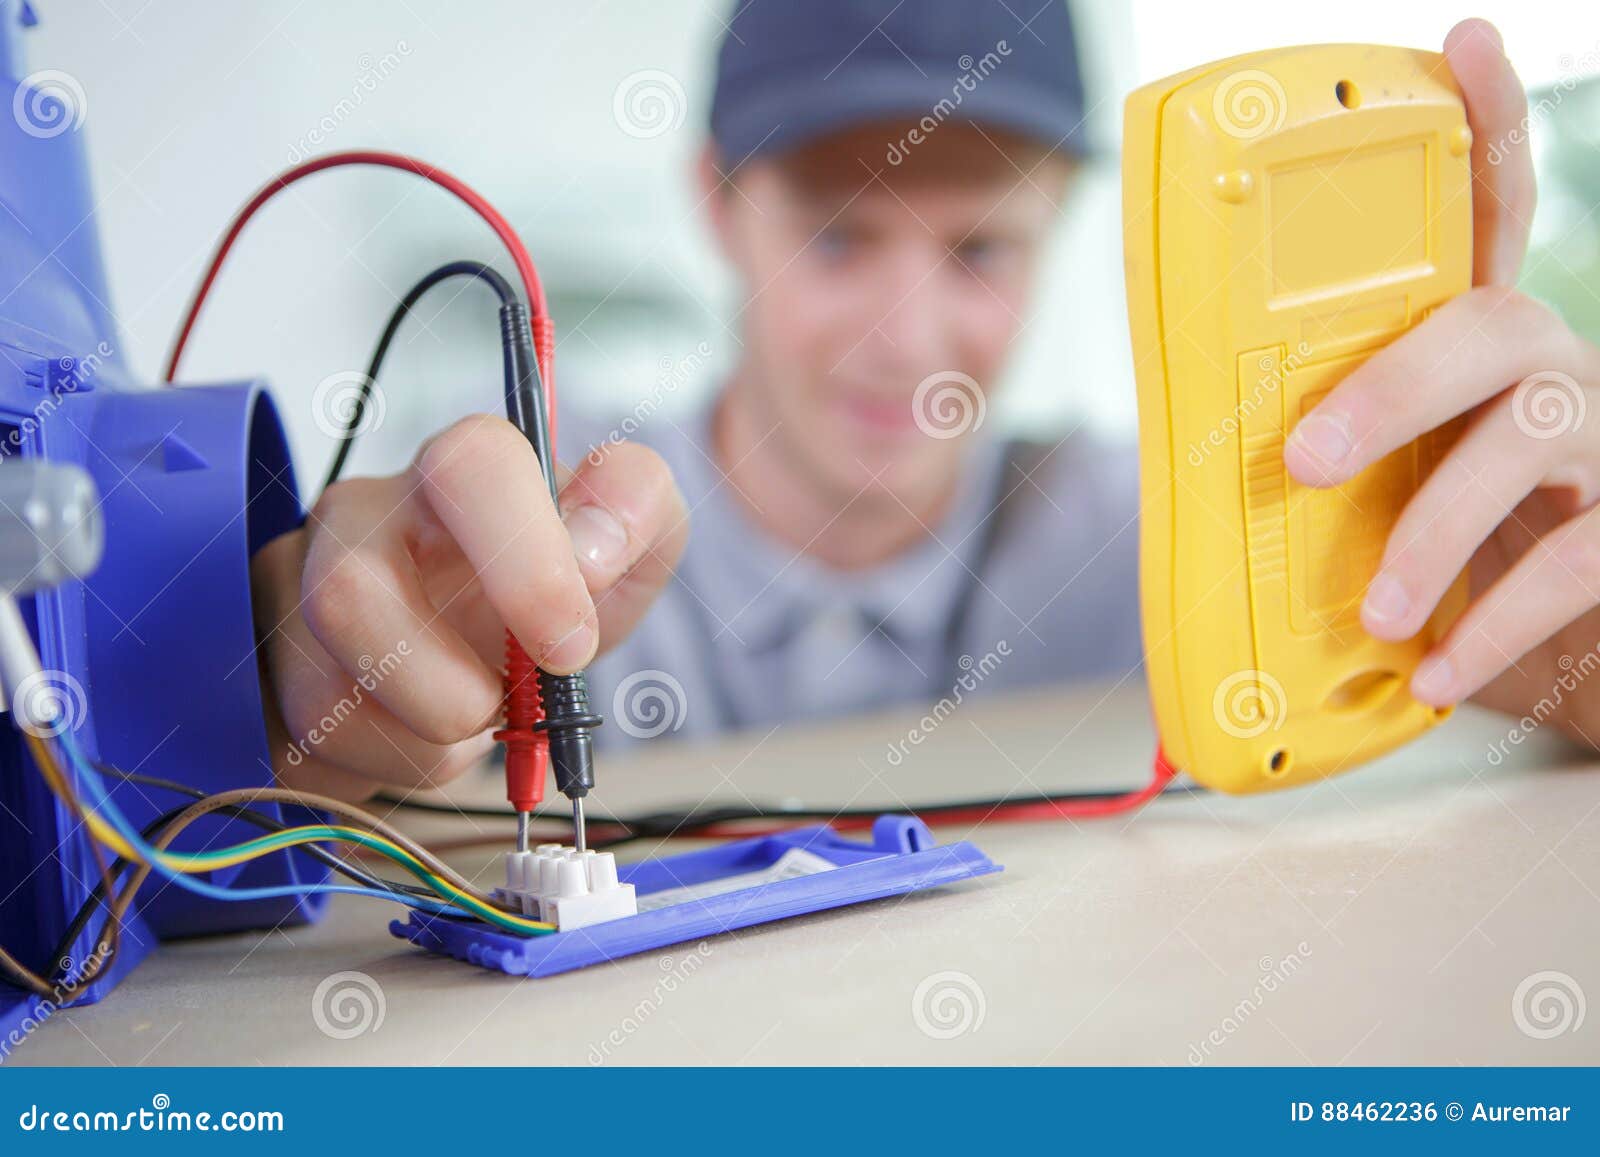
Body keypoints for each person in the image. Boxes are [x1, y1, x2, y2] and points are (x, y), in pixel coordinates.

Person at [253, 2, 1600, 803]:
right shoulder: (530, 521)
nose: (908, 343)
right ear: (718, 202)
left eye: (978, 253)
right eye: (841, 238)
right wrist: (265, 707)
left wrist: (1566, 670)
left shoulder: (1211, 531)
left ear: (1063, 225)